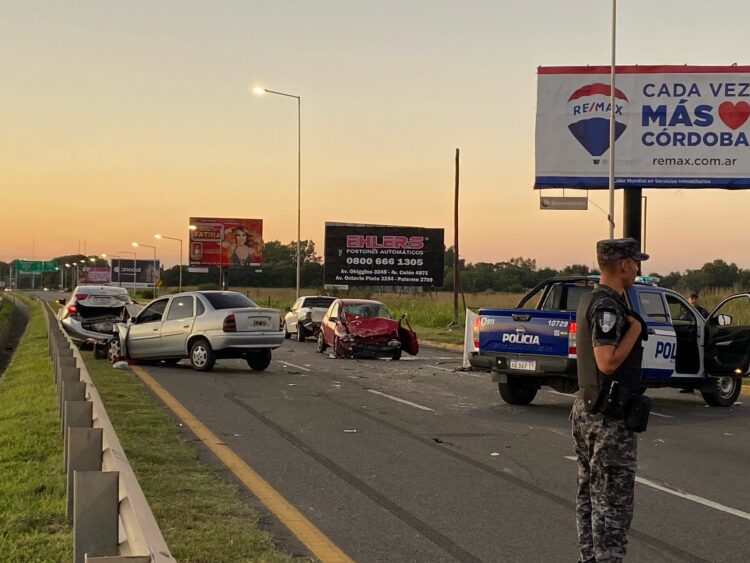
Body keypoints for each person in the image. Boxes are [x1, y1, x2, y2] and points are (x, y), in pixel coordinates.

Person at [572, 238, 649, 563]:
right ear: (624, 265)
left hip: (589, 410)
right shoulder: (608, 307)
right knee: (612, 509)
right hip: (609, 420)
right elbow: (606, 362)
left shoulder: (591, 299)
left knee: (590, 499)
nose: (638, 268)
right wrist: (634, 329)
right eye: (636, 262)